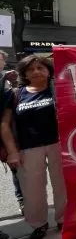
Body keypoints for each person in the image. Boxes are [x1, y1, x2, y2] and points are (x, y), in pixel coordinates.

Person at [0, 55, 66, 239]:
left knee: (63, 186)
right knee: (32, 191)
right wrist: (12, 152)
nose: (36, 72)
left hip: (58, 145)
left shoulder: (58, 90)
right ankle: (39, 225)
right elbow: (4, 124)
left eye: (40, 68)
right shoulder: (14, 95)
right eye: (31, 69)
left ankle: (64, 219)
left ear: (49, 71)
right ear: (25, 73)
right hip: (28, 149)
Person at [0, 50, 24, 216]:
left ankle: (23, 200)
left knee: (17, 169)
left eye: (0, 59)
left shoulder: (10, 80)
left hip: (10, 131)